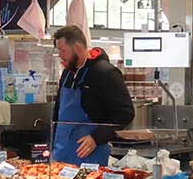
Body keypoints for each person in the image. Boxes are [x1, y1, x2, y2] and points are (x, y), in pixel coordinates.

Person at [51, 25, 134, 166]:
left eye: (63, 50)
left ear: (77, 47)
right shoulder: (67, 73)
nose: (60, 55)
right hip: (61, 152)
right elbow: (58, 112)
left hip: (89, 155)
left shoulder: (105, 73)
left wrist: (96, 138)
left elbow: (125, 113)